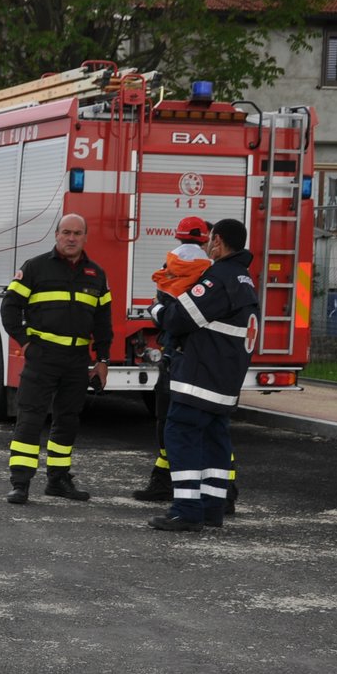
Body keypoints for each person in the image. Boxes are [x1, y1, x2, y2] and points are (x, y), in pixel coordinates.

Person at [146, 218, 259, 531]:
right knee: (214, 441)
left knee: (180, 435)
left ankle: (186, 510)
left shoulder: (218, 278)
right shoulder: (244, 278)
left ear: (219, 241)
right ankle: (211, 508)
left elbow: (178, 318)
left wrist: (156, 309)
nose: (208, 245)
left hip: (201, 378)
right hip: (224, 380)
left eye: (210, 240)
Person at [0, 212, 113, 504]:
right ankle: (21, 483)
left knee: (68, 419)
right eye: (66, 232)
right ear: (57, 235)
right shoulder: (35, 268)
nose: (71, 238)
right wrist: (26, 343)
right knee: (30, 417)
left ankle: (58, 480)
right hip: (43, 356)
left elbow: (103, 322)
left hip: (77, 359)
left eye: (77, 233)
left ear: (85, 237)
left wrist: (102, 360)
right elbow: (10, 307)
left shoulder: (97, 274)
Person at [132, 216, 213, 503]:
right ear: (207, 240)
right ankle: (220, 491)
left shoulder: (169, 268)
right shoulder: (212, 272)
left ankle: (166, 483)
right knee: (210, 425)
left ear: (178, 238)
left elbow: (162, 309)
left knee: (169, 421)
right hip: (205, 357)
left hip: (173, 354)